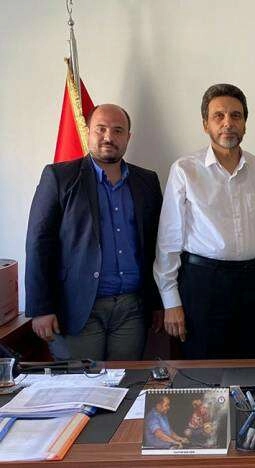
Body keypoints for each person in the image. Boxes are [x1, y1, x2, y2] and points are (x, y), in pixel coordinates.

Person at [25, 104, 163, 361]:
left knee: (126, 381)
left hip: (132, 310)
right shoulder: (59, 177)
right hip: (77, 309)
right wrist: (40, 308)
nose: (109, 137)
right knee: (80, 383)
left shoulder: (147, 181)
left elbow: (156, 244)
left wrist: (158, 302)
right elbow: (38, 243)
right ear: (87, 132)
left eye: (118, 130)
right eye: (101, 129)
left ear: (128, 137)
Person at [154, 83, 255, 359]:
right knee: (205, 370)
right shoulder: (185, 170)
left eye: (236, 115)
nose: (228, 123)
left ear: (245, 123)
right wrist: (171, 301)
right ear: (205, 124)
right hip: (203, 286)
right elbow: (168, 241)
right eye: (218, 116)